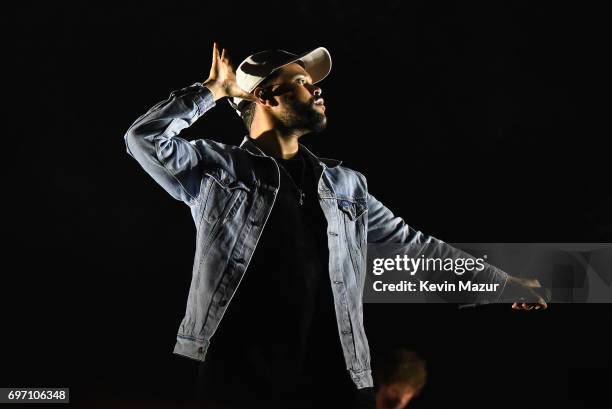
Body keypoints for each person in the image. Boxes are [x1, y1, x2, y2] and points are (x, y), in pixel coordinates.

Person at [124, 43, 547, 409]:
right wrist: (213, 91)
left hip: (335, 381)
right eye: (302, 82)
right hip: (238, 378)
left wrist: (500, 283)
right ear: (266, 96)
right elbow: (144, 139)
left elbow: (416, 247)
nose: (317, 89)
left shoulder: (346, 186)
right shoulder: (220, 170)